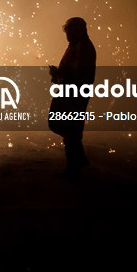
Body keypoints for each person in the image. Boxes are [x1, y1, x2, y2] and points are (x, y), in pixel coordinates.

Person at [48, 16, 97, 178]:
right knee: (66, 127)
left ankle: (73, 168)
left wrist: (58, 74)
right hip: (69, 92)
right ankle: (79, 160)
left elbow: (78, 75)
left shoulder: (82, 48)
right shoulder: (75, 46)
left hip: (73, 94)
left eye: (69, 31)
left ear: (77, 31)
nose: (67, 34)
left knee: (67, 128)